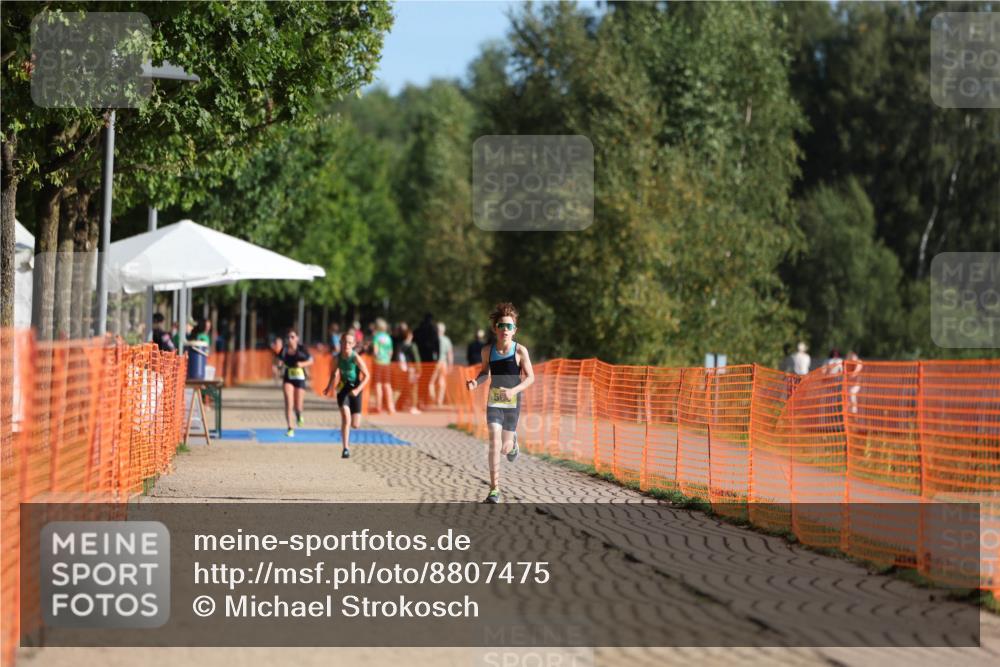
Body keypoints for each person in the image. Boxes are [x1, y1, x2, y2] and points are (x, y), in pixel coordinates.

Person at [466, 302, 535, 504]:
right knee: (494, 442)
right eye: (501, 326)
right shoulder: (487, 351)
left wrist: (513, 390)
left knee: (504, 448)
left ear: (515, 330)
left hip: (512, 402)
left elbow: (531, 378)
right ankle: (494, 489)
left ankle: (512, 444)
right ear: (495, 328)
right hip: (494, 401)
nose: (505, 330)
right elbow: (484, 373)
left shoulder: (520, 351)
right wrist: (474, 382)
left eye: (509, 326)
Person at [323, 329, 370, 459]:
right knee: (346, 418)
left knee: (355, 424)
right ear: (340, 343)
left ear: (354, 344)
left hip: (356, 390)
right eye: (344, 342)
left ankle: (347, 443)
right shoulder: (337, 358)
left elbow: (367, 376)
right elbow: (333, 373)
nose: (346, 345)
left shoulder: (356, 358)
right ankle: (345, 449)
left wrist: (357, 390)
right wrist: (329, 387)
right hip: (343, 389)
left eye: (349, 343)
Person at [270, 328, 313, 437]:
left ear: (297, 338)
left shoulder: (302, 349)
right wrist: (279, 364)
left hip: (300, 378)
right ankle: (290, 428)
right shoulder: (284, 349)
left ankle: (298, 415)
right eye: (288, 337)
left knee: (298, 406)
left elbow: (311, 360)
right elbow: (277, 360)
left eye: (292, 337)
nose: (290, 339)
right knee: (289, 403)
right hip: (288, 378)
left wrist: (302, 365)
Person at [371, 318, 396, 414]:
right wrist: (388, 359)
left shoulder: (376, 337)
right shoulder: (388, 338)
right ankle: (391, 407)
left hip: (378, 362)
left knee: (378, 384)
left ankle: (378, 406)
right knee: (387, 384)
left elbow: (375, 351)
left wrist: (375, 357)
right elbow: (391, 351)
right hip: (387, 363)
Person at [397, 323, 422, 414]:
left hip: (403, 369)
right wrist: (419, 370)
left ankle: (399, 404)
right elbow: (416, 359)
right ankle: (413, 407)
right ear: (409, 335)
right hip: (412, 369)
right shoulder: (412, 346)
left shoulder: (400, 345)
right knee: (413, 388)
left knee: (403, 388)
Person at [429, 322, 454, 406]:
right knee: (441, 381)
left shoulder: (433, 339)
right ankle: (439, 400)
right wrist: (450, 364)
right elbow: (450, 354)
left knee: (431, 382)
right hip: (444, 363)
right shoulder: (447, 340)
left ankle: (433, 399)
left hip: (436, 363)